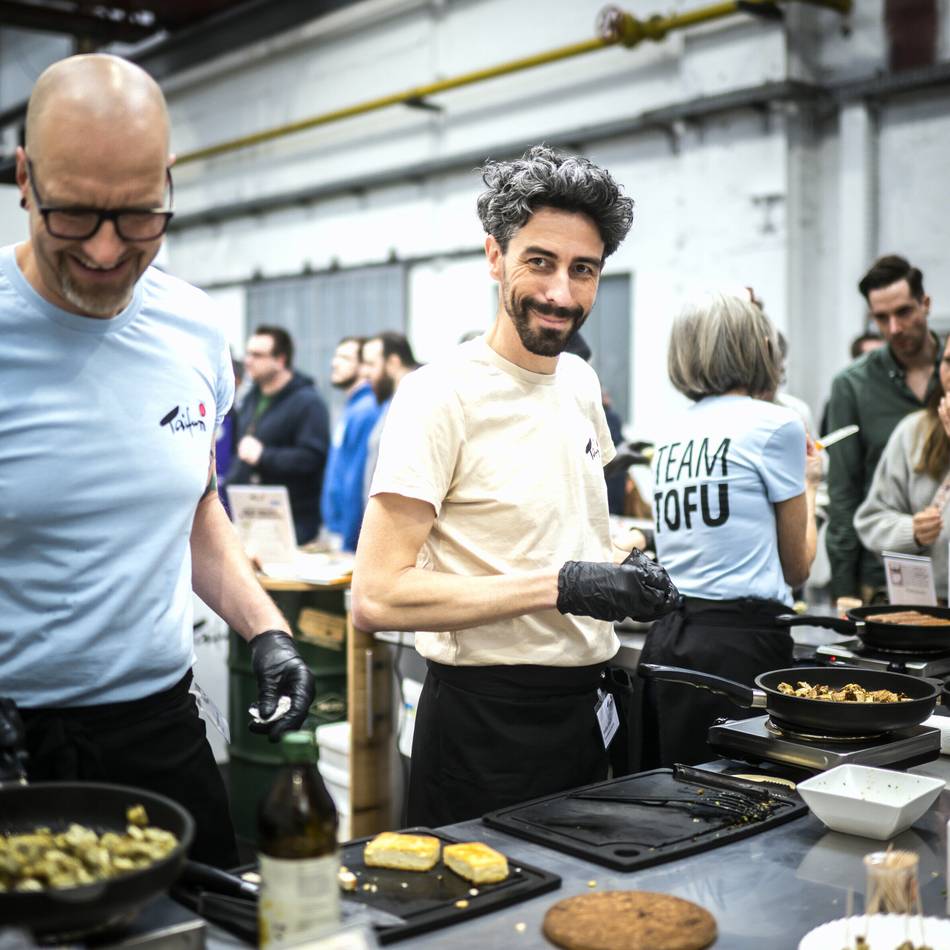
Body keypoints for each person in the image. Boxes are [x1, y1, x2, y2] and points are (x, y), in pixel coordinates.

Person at [2, 54, 315, 867]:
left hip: (157, 731)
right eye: (73, 215)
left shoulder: (196, 330)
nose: (107, 251)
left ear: (168, 182)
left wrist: (266, 630)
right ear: (25, 179)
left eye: (139, 216)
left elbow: (195, 503)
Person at [351, 145, 680, 827]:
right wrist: (563, 585)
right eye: (540, 262)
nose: (561, 292)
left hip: (586, 713)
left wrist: (623, 562)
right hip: (481, 725)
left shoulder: (582, 384)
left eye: (582, 270)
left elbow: (560, 525)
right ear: (495, 256)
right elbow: (376, 598)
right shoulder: (438, 395)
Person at [638, 291, 820, 768]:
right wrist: (813, 484)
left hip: (672, 639)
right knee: (747, 801)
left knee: (669, 793)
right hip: (742, 648)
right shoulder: (779, 425)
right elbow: (797, 567)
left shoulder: (671, 432)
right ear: (751, 346)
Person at [826, 255, 941, 602]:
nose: (893, 328)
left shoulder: (948, 367)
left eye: (904, 312)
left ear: (925, 303)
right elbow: (843, 493)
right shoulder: (853, 385)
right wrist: (844, 591)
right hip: (884, 577)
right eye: (881, 318)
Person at [855, 335, 950, 601]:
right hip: (924, 608)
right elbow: (871, 520)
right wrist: (911, 532)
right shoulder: (914, 430)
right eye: (948, 362)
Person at [227, 325, 330, 544]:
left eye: (257, 355)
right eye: (247, 353)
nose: (248, 361)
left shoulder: (308, 402)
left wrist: (264, 456)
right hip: (251, 516)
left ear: (280, 360)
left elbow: (313, 458)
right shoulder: (249, 400)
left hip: (293, 524)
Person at [320, 336, 380, 551]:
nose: (334, 363)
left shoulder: (366, 410)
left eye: (345, 358)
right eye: (336, 356)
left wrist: (349, 541)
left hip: (350, 539)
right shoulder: (353, 408)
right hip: (338, 531)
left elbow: (357, 480)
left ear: (365, 367)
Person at [360, 331, 419, 504]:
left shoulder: (417, 402)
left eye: (371, 364)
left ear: (393, 363)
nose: (365, 372)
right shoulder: (392, 401)